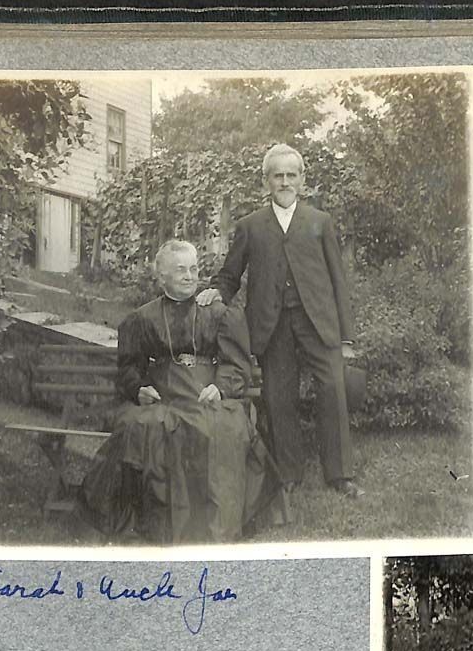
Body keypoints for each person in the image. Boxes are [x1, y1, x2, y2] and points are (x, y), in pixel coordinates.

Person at [80, 239, 275, 544]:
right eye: (181, 270)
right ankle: (157, 523)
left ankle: (211, 523)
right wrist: (139, 389)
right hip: (163, 393)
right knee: (146, 427)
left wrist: (221, 388)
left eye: (194, 269)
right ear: (163, 277)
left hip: (205, 391)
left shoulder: (218, 314)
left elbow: (236, 363)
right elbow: (129, 367)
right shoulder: (143, 318)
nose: (189, 276)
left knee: (220, 428)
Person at [196, 143, 361, 499]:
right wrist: (216, 292)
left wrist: (346, 337)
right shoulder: (251, 226)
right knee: (279, 396)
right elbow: (230, 274)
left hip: (318, 322)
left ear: (302, 179)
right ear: (266, 181)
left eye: (291, 175)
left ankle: (340, 474)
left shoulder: (319, 222)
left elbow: (338, 281)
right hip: (272, 325)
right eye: (277, 176)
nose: (285, 182)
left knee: (333, 390)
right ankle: (288, 473)